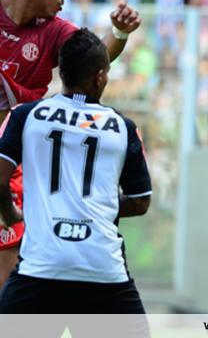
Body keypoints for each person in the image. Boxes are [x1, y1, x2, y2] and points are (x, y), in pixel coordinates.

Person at [0, 0, 142, 289]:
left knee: (8, 279)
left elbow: (92, 59)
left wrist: (120, 32)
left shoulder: (53, 30)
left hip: (11, 162)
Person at [0, 28, 151, 319]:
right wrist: (94, 206)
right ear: (100, 77)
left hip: (39, 271)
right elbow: (140, 201)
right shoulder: (123, 127)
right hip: (103, 273)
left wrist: (11, 214)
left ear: (62, 72)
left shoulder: (26, 115)